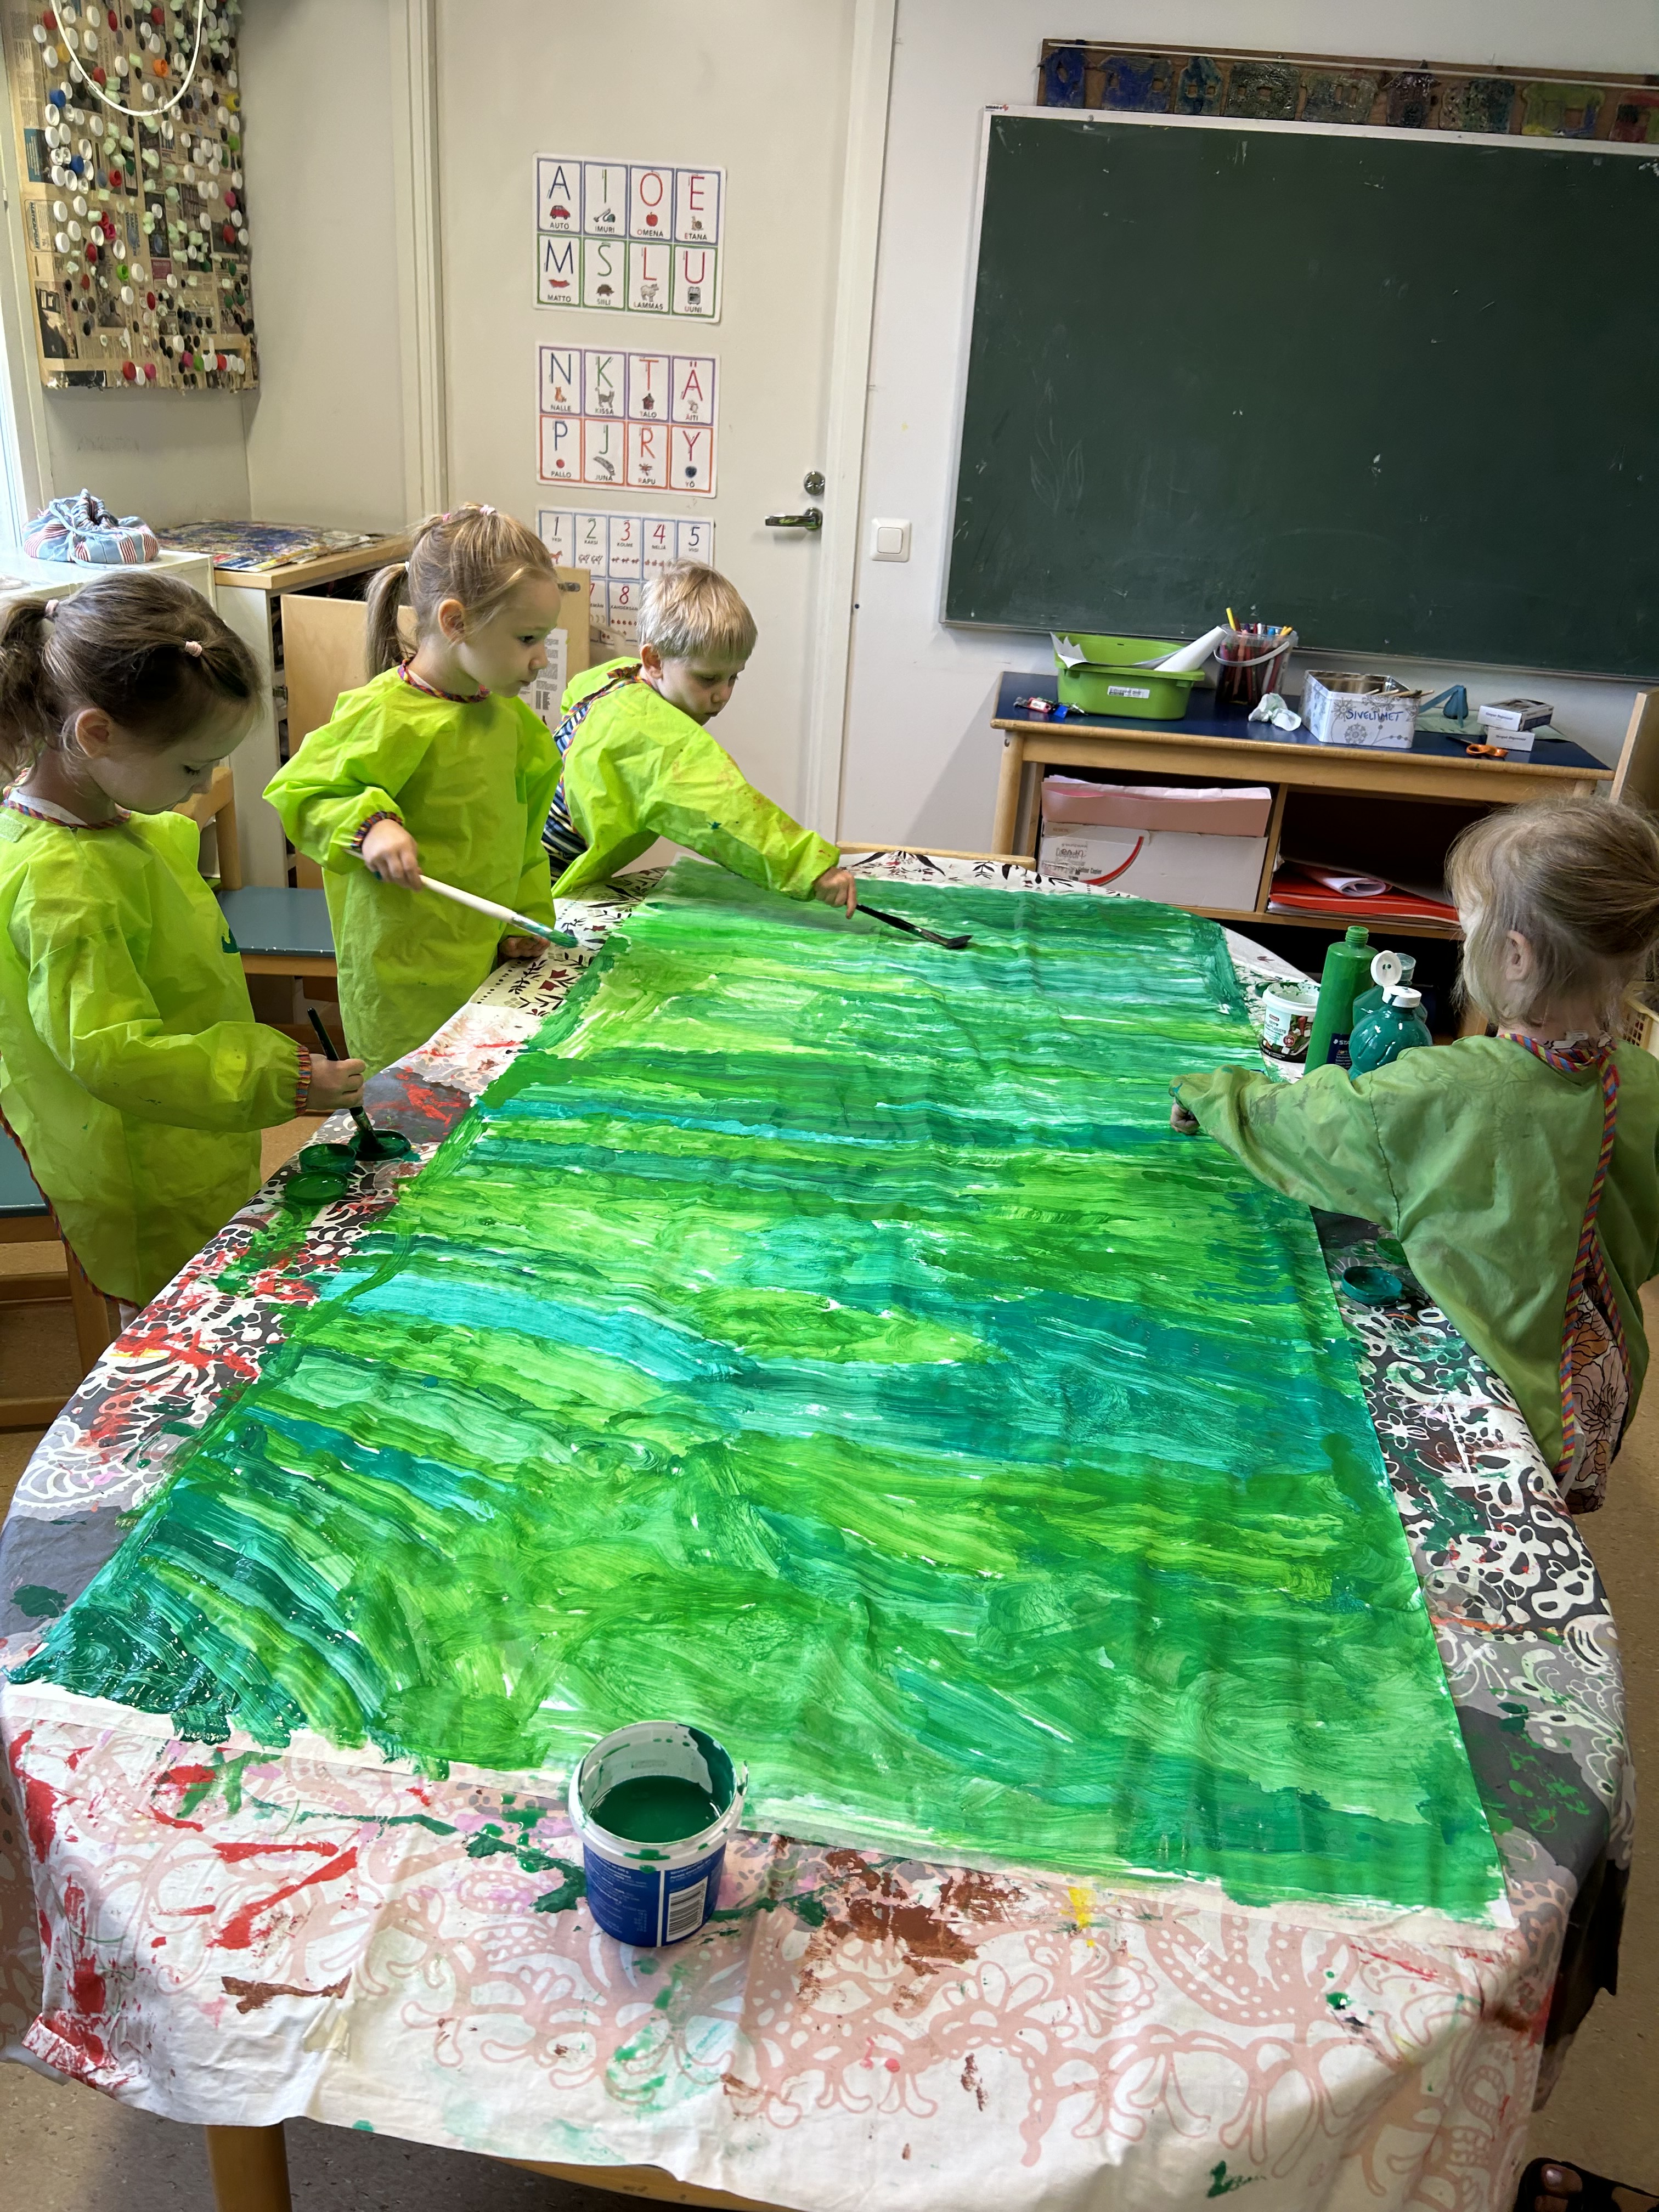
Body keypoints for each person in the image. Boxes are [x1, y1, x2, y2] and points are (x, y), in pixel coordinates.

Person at [1170, 797, 1659, 1511]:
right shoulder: (1644, 1082)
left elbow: (1311, 1126)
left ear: (1514, 956)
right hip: (1603, 1389)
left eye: (1467, 927)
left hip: (1504, 1401)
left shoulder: (1447, 1089)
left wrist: (1216, 1094)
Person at [0, 572, 364, 1308]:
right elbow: (114, 1054)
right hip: (144, 1166)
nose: (204, 785)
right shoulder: (62, 886)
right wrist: (284, 1079)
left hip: (195, 1123)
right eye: (192, 765)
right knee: (179, 1328)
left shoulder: (108, 830)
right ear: (96, 734)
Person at [266, 505, 563, 1073]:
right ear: (455, 622)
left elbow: (526, 839)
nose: (540, 659)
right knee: (408, 1102)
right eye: (527, 638)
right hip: (400, 976)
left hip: (485, 964)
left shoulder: (514, 725)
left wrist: (524, 917)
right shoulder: (384, 714)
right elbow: (303, 792)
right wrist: (370, 825)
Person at [542, 560, 858, 915]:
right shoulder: (656, 738)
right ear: (655, 660)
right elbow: (727, 811)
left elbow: (572, 697)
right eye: (708, 679)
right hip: (537, 879)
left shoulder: (611, 678)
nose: (723, 694)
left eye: (733, 678)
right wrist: (812, 869)